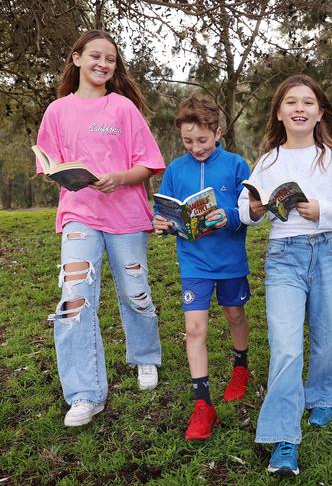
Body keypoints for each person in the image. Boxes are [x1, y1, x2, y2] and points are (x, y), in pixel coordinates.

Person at [238, 74, 332, 476]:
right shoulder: (270, 160)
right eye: (290, 102)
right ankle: (283, 438)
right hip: (284, 257)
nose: (299, 108)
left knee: (327, 332)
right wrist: (256, 210)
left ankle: (325, 396)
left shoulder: (331, 157)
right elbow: (247, 208)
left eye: (307, 102)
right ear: (279, 113)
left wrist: (321, 210)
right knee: (287, 346)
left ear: (320, 112)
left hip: (326, 250)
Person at [35, 30, 165, 426]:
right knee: (74, 299)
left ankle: (144, 357)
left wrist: (121, 178)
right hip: (79, 216)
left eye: (110, 59)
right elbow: (48, 163)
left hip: (126, 217)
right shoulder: (57, 111)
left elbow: (149, 163)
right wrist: (62, 175)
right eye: (95, 56)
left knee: (136, 291)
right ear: (76, 59)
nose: (103, 64)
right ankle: (84, 394)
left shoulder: (122, 108)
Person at [153, 95, 252, 440]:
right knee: (195, 329)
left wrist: (231, 217)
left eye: (203, 140)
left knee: (235, 314)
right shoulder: (175, 170)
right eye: (187, 141)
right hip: (193, 263)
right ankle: (202, 403)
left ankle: (241, 367)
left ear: (218, 131)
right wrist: (161, 223)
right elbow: (164, 211)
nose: (196, 147)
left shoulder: (237, 165)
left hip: (230, 261)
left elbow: (251, 212)